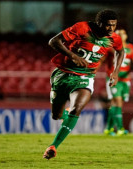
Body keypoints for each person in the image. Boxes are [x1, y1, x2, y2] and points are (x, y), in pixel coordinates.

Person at [43, 9, 125, 160]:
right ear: (99, 23)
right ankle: (64, 114)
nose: (111, 29)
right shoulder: (82, 28)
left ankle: (53, 146)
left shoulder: (114, 38)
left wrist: (115, 72)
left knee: (77, 108)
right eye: (107, 25)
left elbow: (121, 51)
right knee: (57, 115)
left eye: (113, 25)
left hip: (86, 76)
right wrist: (73, 56)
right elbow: (53, 41)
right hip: (63, 73)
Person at [103, 28, 133, 136]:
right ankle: (120, 128)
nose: (121, 35)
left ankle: (108, 128)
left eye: (123, 33)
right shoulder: (110, 48)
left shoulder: (130, 48)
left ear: (126, 36)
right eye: (118, 34)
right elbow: (102, 60)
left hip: (126, 80)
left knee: (114, 104)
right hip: (113, 79)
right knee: (118, 102)